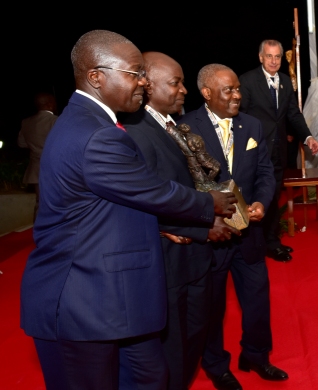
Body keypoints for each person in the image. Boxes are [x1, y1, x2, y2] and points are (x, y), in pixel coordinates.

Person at [20, 31, 237, 390]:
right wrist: (208, 203)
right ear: (96, 77)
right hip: (83, 302)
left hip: (115, 296)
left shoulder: (92, 122)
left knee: (151, 376)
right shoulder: (94, 133)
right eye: (135, 73)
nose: (143, 82)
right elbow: (150, 190)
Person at [123, 52, 239, 390]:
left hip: (195, 259)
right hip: (169, 263)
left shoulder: (172, 126)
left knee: (194, 338)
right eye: (175, 83)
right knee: (172, 352)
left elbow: (188, 184)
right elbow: (146, 197)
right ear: (148, 86)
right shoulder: (136, 132)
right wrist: (199, 227)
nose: (184, 90)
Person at [180, 64, 284, 390]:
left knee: (257, 299)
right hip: (213, 235)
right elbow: (182, 185)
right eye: (229, 90)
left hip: (249, 232)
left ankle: (256, 355)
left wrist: (262, 204)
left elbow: (266, 173)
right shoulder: (185, 128)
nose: (237, 95)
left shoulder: (252, 125)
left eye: (238, 88)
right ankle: (216, 366)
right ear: (207, 93)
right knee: (212, 307)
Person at [239, 39, 318, 261]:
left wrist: (308, 136)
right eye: (269, 56)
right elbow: (240, 117)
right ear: (260, 57)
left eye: (277, 57)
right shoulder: (247, 81)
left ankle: (271, 242)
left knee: (273, 198)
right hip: (253, 152)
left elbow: (293, 114)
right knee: (254, 198)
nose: (274, 61)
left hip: (278, 152)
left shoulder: (285, 82)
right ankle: (252, 244)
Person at [17, 92, 58, 220]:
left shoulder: (26, 122)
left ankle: (38, 233)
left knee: (40, 203)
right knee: (60, 203)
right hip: (57, 170)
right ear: (50, 105)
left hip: (36, 170)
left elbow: (21, 143)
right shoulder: (57, 121)